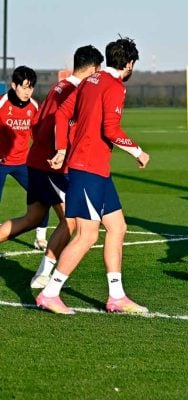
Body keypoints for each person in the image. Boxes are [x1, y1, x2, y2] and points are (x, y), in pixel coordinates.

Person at [36, 37, 150, 315]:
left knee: (117, 227)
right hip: (88, 169)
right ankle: (50, 293)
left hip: (97, 170)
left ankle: (117, 297)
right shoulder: (114, 86)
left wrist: (61, 149)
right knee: (86, 235)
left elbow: (62, 113)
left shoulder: (89, 81)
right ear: (129, 64)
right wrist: (138, 152)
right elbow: (111, 129)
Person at [3, 45, 104, 289]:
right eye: (98, 71)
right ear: (92, 69)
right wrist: (60, 151)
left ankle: (44, 272)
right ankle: (43, 275)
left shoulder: (58, 88)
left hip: (36, 162)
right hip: (52, 167)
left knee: (32, 218)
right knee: (71, 221)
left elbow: (37, 124)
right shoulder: (73, 90)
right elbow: (61, 121)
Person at [0, 66, 49, 249]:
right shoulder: (2, 104)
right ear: (14, 85)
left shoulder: (34, 106)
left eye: (31, 87)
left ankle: (40, 238)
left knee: (44, 196)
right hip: (1, 163)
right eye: (25, 87)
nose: (28, 92)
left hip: (24, 163)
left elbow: (38, 136)